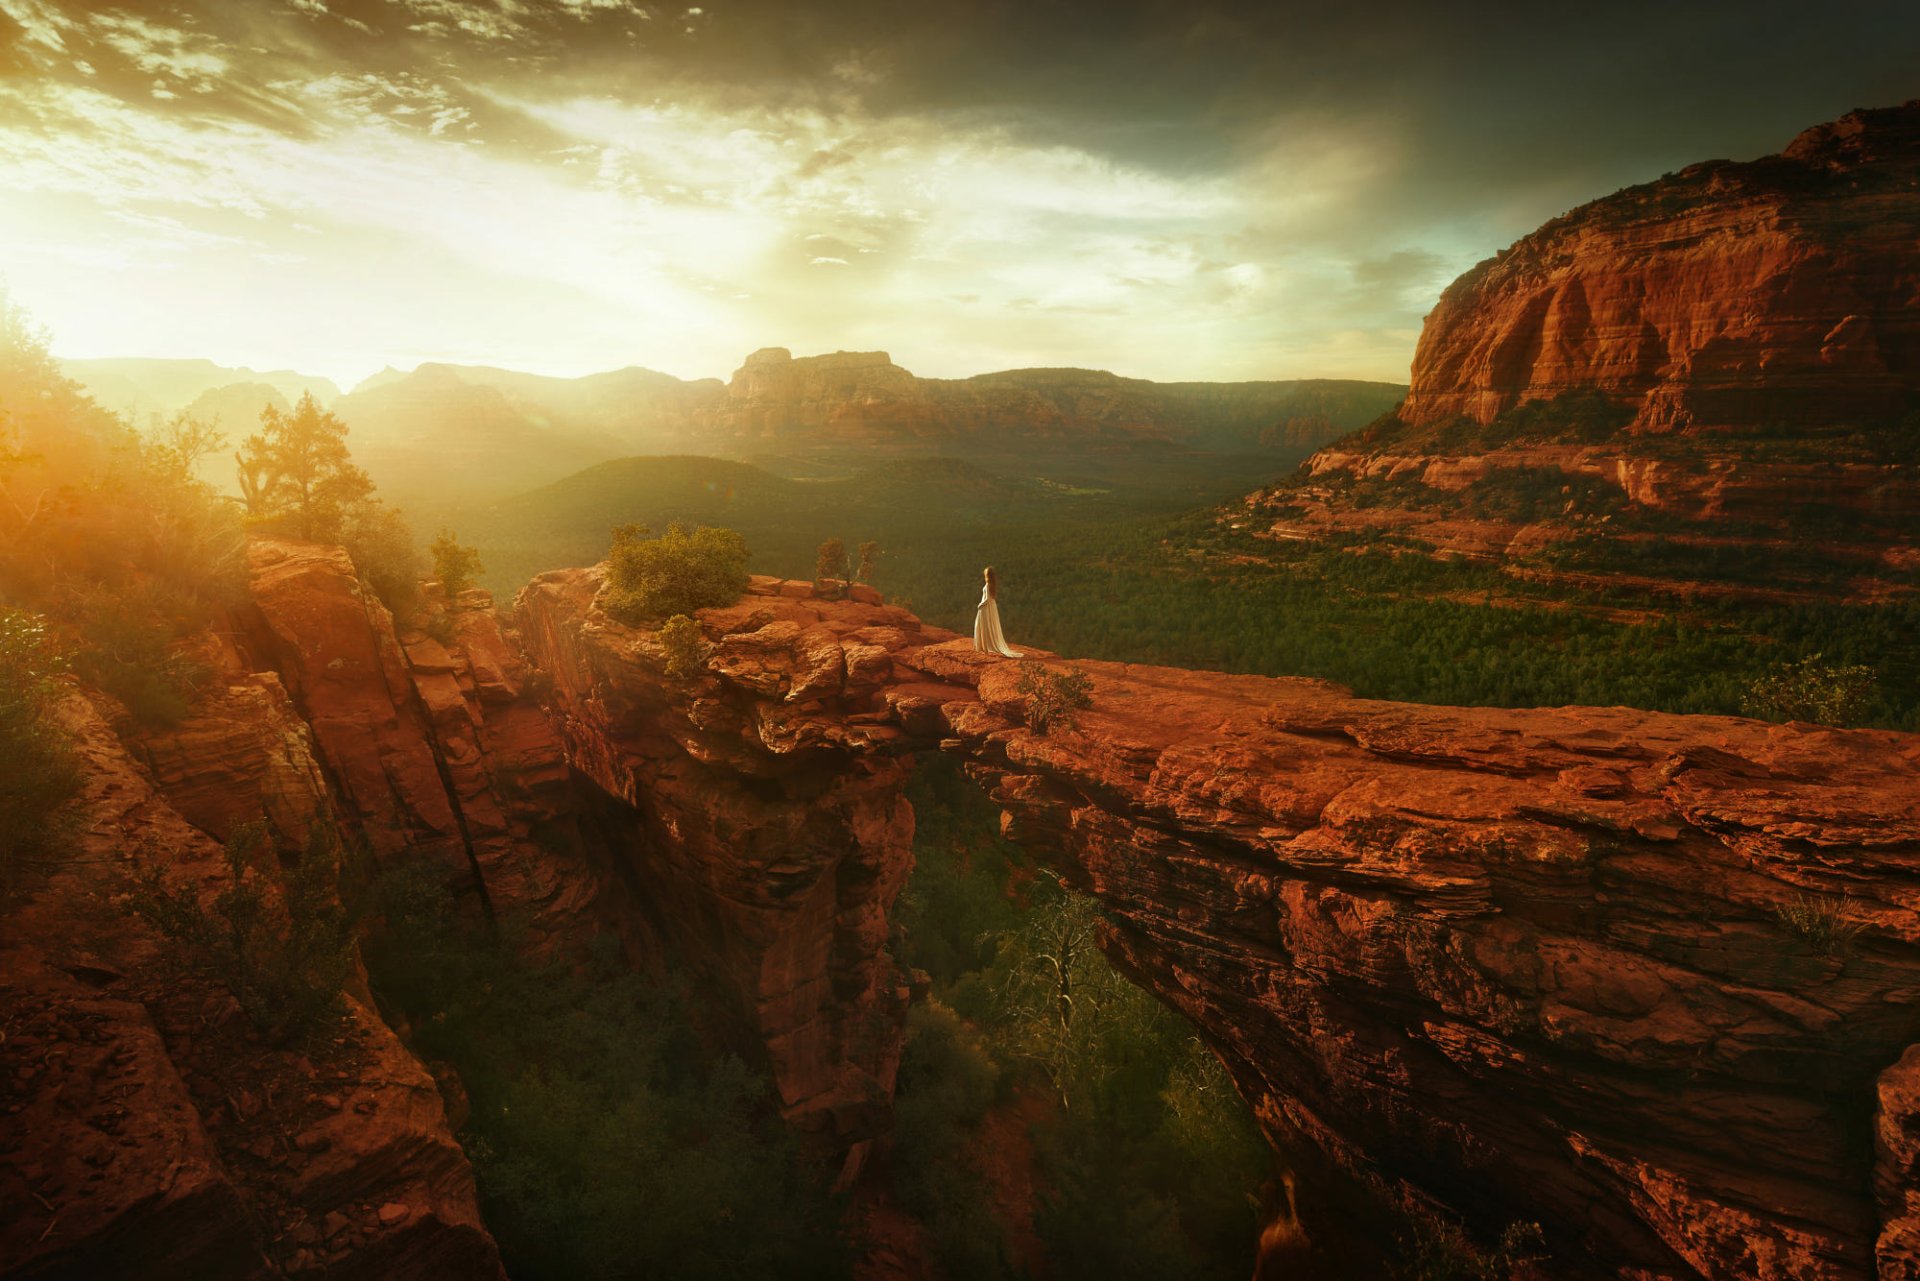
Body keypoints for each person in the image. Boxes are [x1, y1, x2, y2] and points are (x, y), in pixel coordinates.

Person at [972, 566, 1022, 657]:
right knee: (990, 625)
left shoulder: (987, 585)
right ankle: (985, 647)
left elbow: (986, 599)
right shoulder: (992, 585)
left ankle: (985, 649)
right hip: (992, 606)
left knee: (984, 626)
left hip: (986, 607)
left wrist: (980, 605)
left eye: (986, 574)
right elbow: (990, 598)